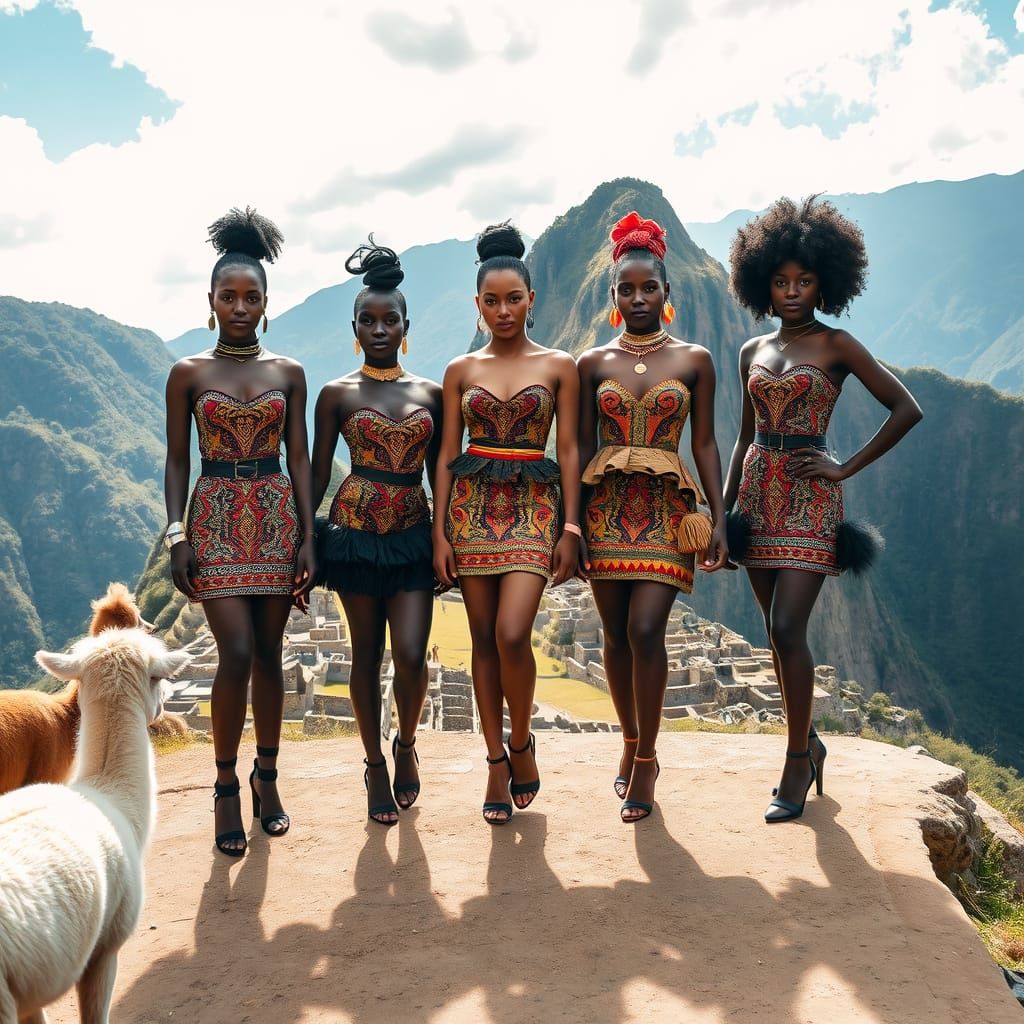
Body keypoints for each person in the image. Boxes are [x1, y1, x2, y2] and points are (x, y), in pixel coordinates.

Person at [723, 195, 923, 823]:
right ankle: (809, 741)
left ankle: (794, 761)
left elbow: (906, 408)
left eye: (804, 280)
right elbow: (742, 436)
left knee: (789, 629)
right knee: (773, 635)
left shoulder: (838, 345)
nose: (791, 291)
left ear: (824, 281)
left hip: (811, 496)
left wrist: (844, 466)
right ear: (763, 283)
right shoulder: (752, 350)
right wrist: (722, 517)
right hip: (757, 494)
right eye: (780, 281)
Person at [164, 206, 316, 856]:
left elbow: (303, 457)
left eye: (251, 296)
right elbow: (176, 458)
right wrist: (177, 535)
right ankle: (226, 784)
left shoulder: (289, 373)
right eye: (229, 296)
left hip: (278, 517)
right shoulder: (188, 375)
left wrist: (311, 536)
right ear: (210, 301)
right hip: (217, 520)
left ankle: (269, 776)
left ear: (266, 302)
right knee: (236, 653)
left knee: (272, 656)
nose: (240, 306)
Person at [578, 211, 729, 823]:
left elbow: (706, 444)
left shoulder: (694, 360)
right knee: (613, 636)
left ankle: (647, 760)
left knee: (645, 630)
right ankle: (630, 738)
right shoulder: (591, 364)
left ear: (668, 294)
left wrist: (718, 517)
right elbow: (579, 448)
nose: (638, 297)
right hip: (606, 510)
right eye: (626, 289)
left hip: (668, 513)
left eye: (649, 288)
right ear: (613, 296)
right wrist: (571, 524)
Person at [432, 222, 581, 825]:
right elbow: (446, 454)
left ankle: (522, 739)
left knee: (513, 634)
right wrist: (440, 531)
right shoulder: (459, 370)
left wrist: (571, 529)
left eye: (512, 299)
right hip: (469, 511)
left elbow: (568, 449)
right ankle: (495, 759)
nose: (502, 311)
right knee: (483, 639)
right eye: (491, 301)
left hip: (533, 509)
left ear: (531, 300)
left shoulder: (559, 365)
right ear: (477, 305)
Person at [311, 239, 442, 826]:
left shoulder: (431, 395)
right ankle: (374, 765)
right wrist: (302, 540)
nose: (379, 328)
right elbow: (315, 473)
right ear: (355, 326)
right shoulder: (336, 394)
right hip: (356, 535)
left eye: (390, 319)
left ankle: (406, 744)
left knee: (411, 657)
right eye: (369, 319)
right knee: (368, 654)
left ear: (406, 326)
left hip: (414, 534)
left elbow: (441, 477)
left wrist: (447, 538)